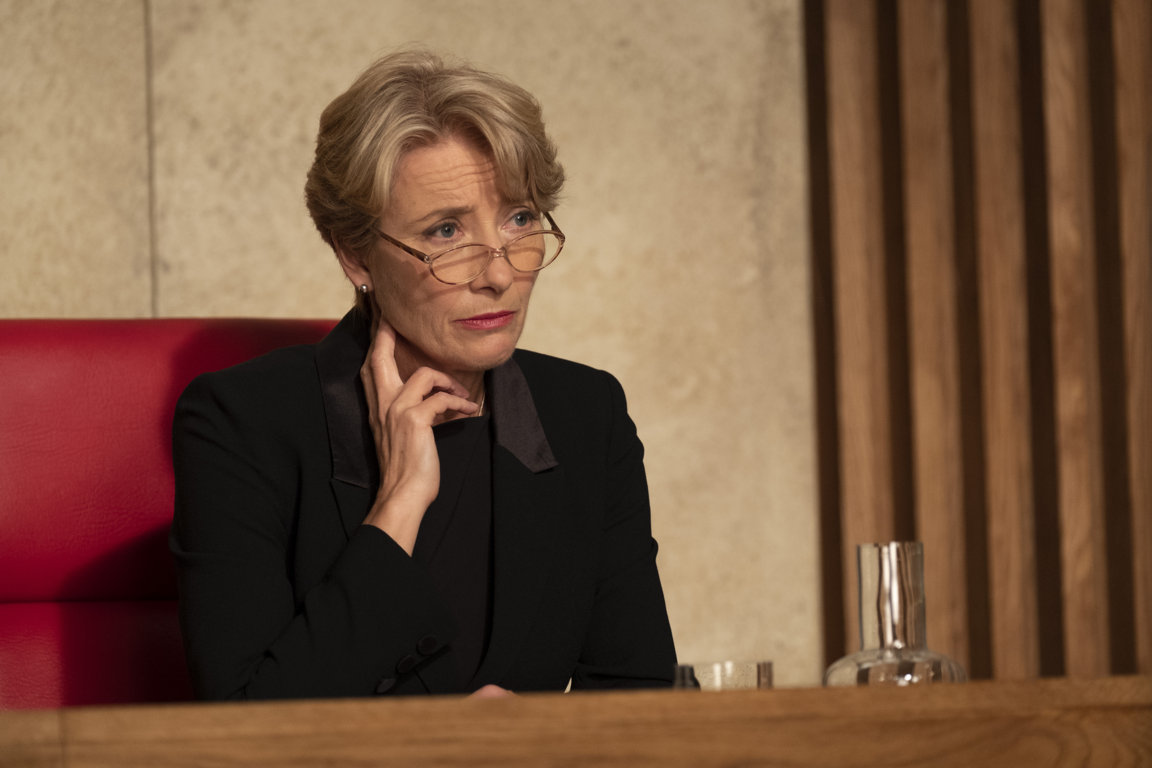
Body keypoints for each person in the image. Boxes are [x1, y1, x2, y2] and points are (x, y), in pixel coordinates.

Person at [170, 49, 676, 700]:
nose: (499, 273)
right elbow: (246, 722)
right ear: (355, 255)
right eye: (445, 231)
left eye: (520, 219)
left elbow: (636, 700)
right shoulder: (242, 421)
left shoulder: (585, 413)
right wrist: (400, 503)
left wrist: (532, 742)